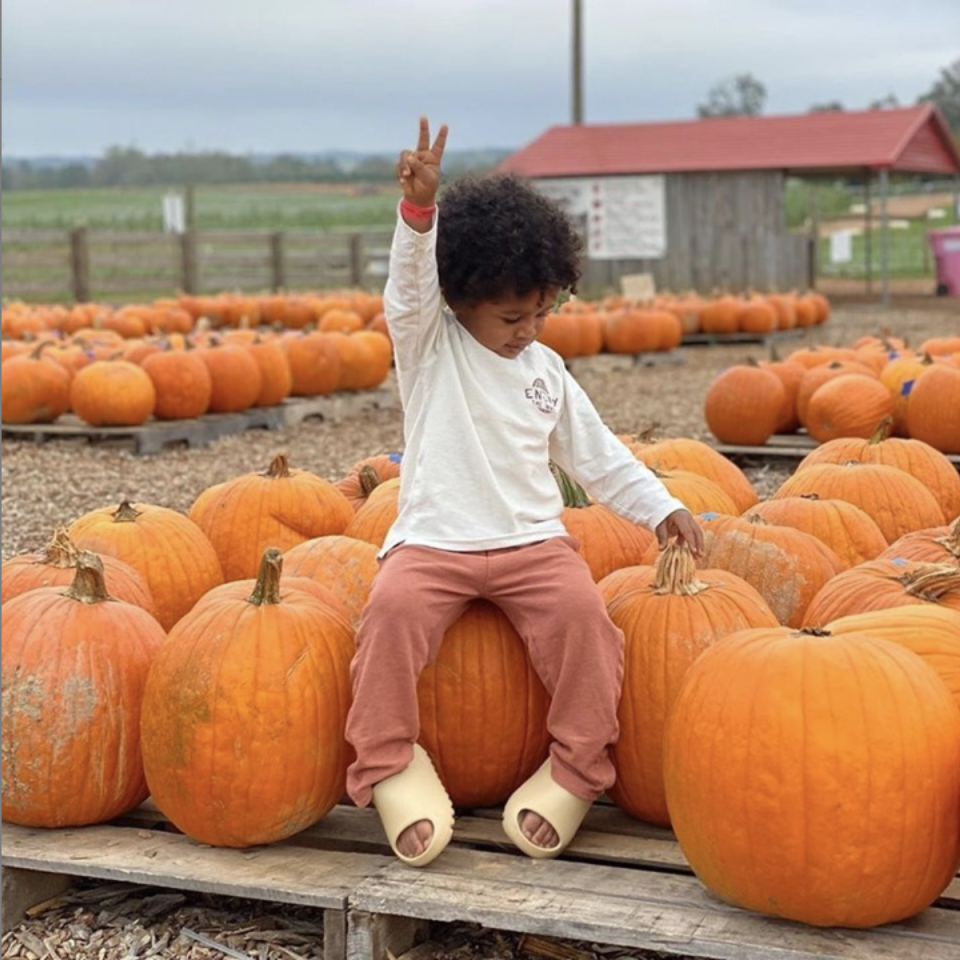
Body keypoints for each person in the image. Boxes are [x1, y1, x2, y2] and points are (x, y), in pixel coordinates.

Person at [344, 117, 704, 868]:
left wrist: (659, 506)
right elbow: (407, 289)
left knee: (587, 627)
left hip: (532, 545)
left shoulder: (546, 371)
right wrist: (418, 215)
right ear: (462, 297)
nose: (527, 330)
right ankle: (386, 765)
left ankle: (576, 769)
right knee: (387, 616)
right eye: (512, 317)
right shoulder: (430, 346)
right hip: (435, 541)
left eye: (543, 312)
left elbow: (599, 455)